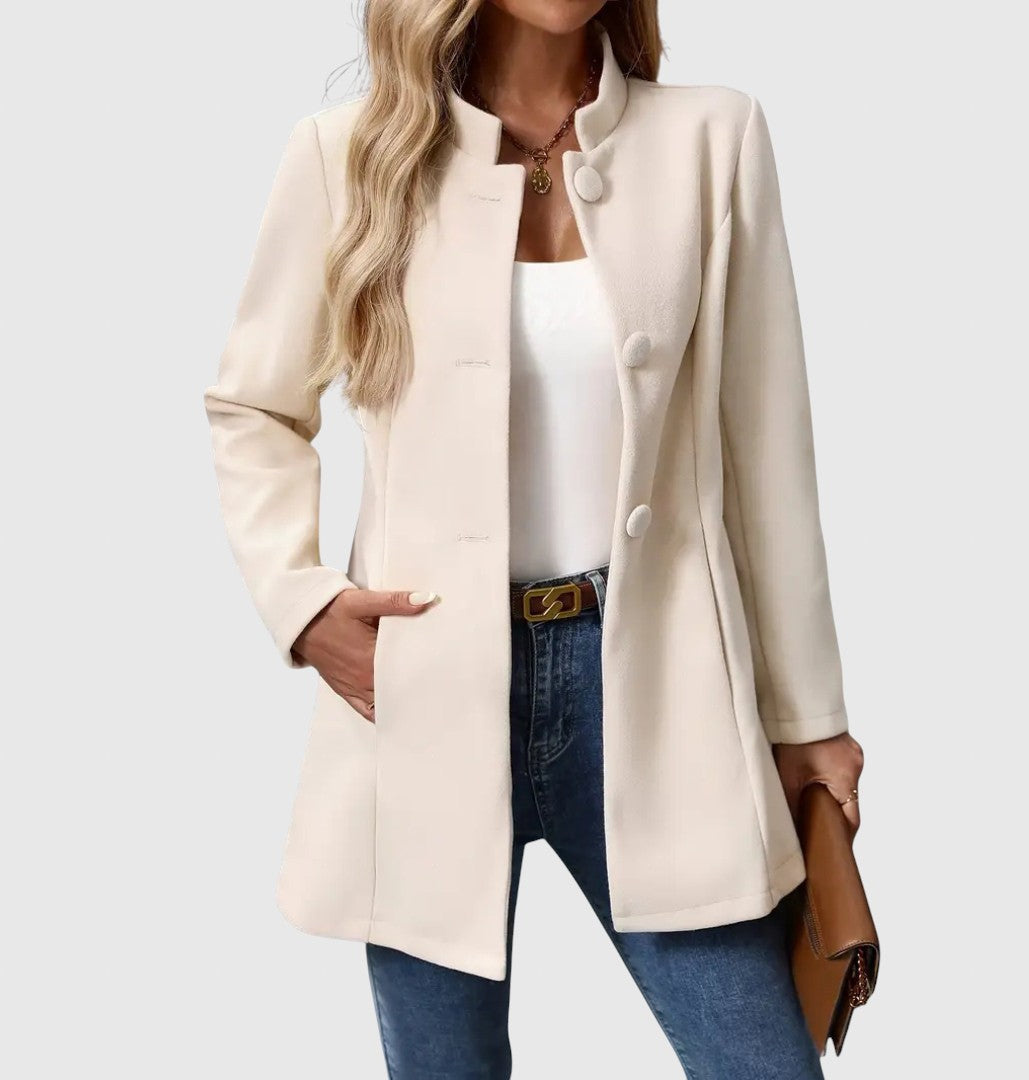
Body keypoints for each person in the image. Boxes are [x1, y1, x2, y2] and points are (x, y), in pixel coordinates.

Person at [204, 2, 865, 1076]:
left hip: (660, 687)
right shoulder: (347, 154)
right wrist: (303, 602)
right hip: (423, 685)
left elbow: (769, 451)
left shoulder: (713, 138)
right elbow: (253, 408)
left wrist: (809, 718)